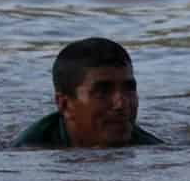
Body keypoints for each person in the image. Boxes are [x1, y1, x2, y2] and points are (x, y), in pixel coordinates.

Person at [14, 37, 165, 148]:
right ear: (65, 105)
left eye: (129, 89)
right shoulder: (29, 149)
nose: (121, 104)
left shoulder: (151, 147)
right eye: (103, 91)